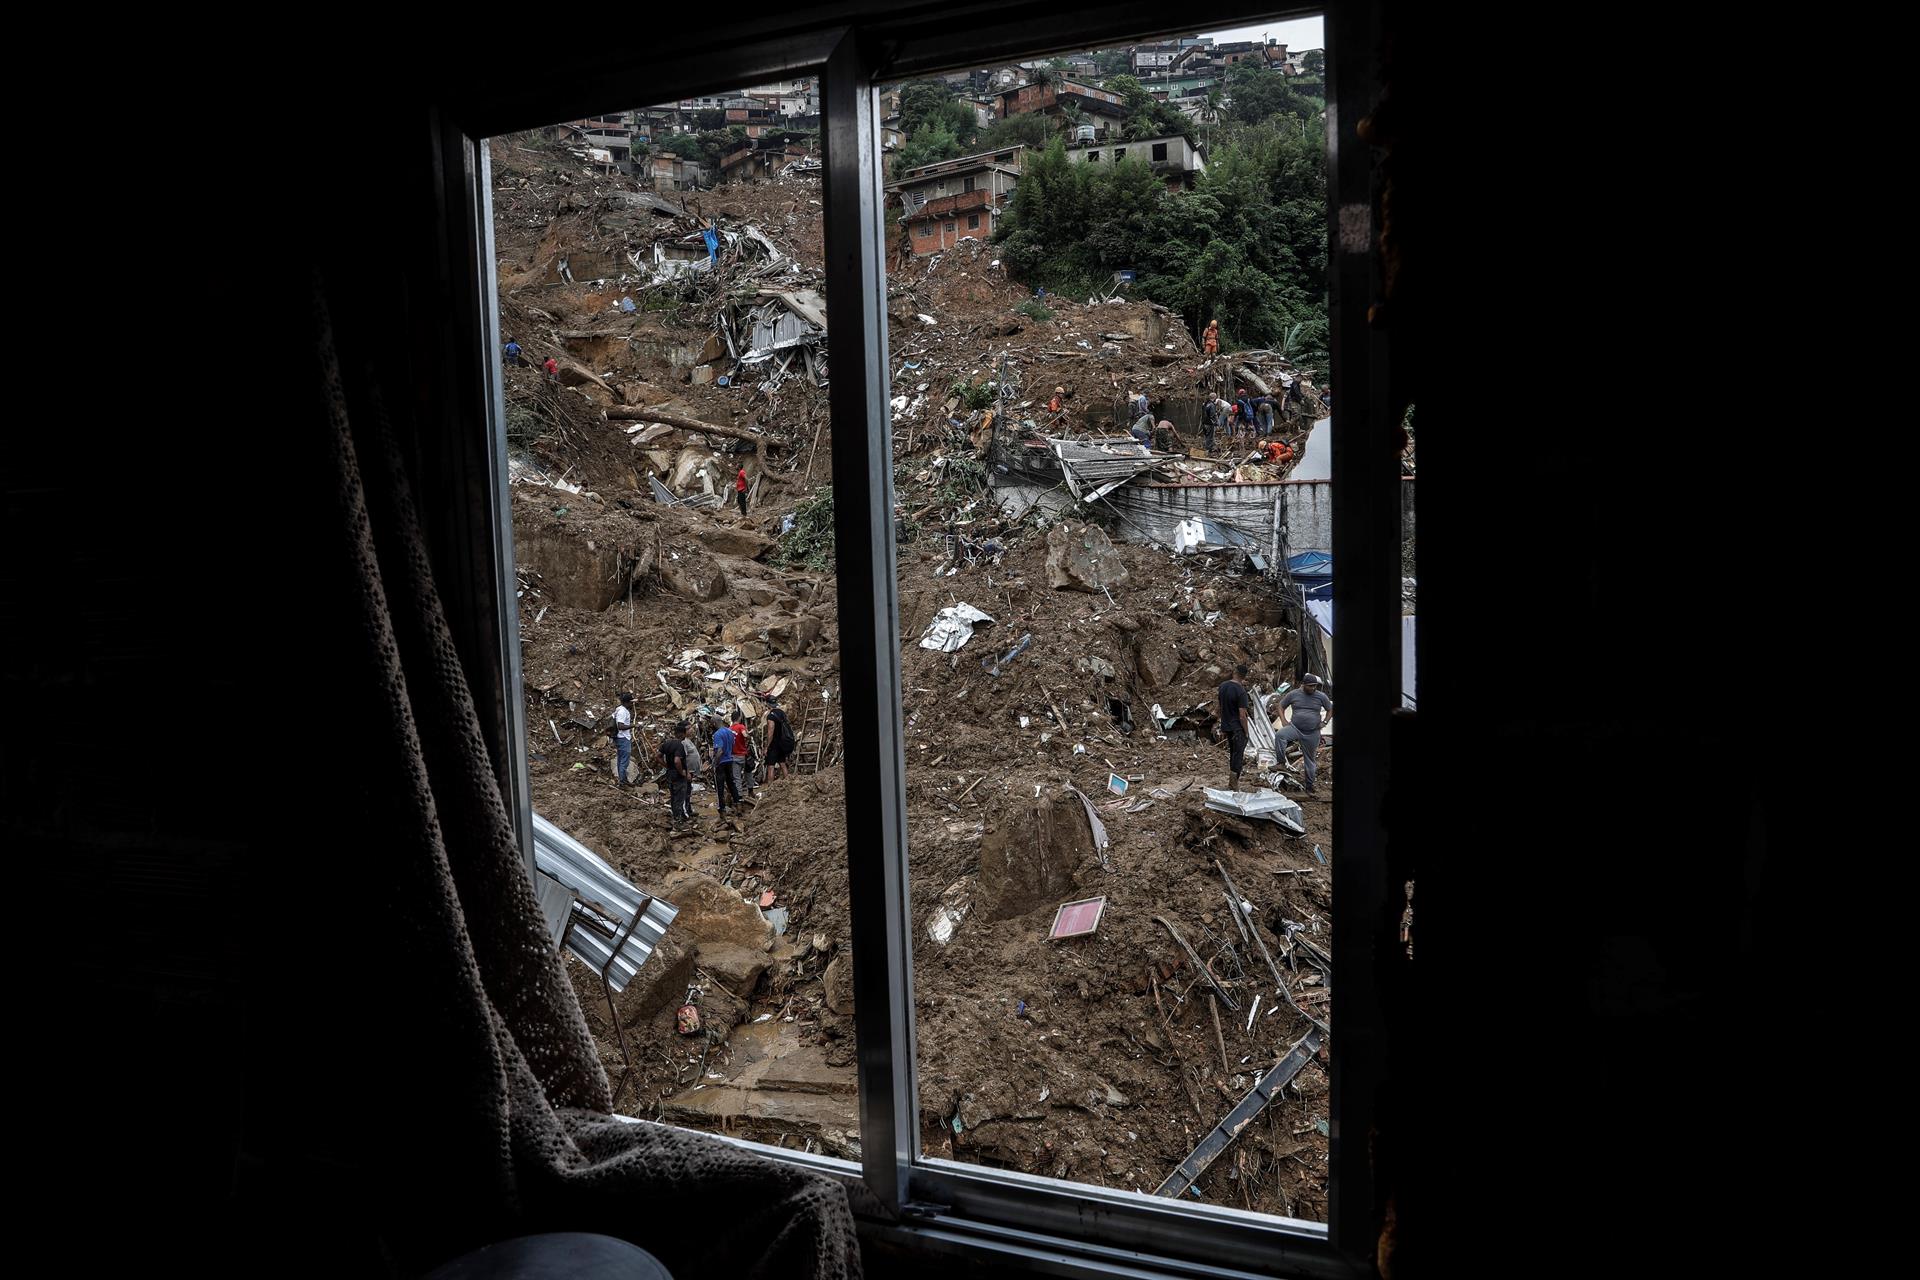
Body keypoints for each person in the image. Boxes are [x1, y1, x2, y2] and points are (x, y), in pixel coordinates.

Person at [1276, 673, 1335, 793]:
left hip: (1312, 732)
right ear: (1303, 685)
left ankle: (1309, 786)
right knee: (1280, 735)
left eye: (1314, 686)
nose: (1313, 688)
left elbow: (1330, 709)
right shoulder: (1293, 694)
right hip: (1295, 728)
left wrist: (1324, 722)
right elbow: (1281, 706)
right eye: (1310, 686)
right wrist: (1283, 720)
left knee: (1310, 760)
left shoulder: (1321, 696)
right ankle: (1281, 762)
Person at [1219, 663, 1252, 791]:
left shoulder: (1222, 686)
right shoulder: (1241, 691)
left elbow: (1220, 707)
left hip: (1227, 726)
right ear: (1244, 677)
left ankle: (1231, 783)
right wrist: (1247, 731)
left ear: (1234, 672)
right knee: (1238, 755)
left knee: (1233, 754)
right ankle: (1234, 784)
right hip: (1237, 728)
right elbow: (1242, 716)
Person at [660, 720, 693, 827]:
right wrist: (682, 772)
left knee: (673, 796)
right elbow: (677, 760)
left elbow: (657, 756)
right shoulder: (679, 745)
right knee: (679, 797)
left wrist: (666, 766)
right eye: (684, 733)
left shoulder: (667, 743)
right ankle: (678, 821)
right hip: (678, 775)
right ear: (681, 734)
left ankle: (675, 817)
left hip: (670, 774)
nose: (684, 736)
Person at [711, 719, 740, 815]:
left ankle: (722, 809)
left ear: (714, 723)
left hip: (722, 762)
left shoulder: (717, 734)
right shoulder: (729, 732)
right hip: (729, 760)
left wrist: (715, 763)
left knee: (720, 786)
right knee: (731, 783)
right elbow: (732, 745)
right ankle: (737, 804)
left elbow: (720, 751)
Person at [764, 699, 796, 782]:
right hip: (783, 743)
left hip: (774, 745)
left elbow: (771, 730)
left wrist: (767, 746)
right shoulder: (782, 713)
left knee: (771, 767)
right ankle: (788, 783)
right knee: (782, 764)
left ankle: (769, 789)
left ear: (768, 705)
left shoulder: (771, 716)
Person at [730, 709, 757, 795]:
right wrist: (748, 736)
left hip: (734, 757)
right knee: (748, 773)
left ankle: (739, 798)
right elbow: (745, 735)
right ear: (739, 718)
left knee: (737, 778)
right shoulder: (741, 726)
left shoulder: (729, 729)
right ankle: (751, 791)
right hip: (743, 755)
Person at [611, 691, 635, 786]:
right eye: (631, 702)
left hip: (620, 738)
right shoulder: (622, 712)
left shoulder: (618, 709)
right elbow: (620, 726)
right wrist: (633, 725)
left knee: (621, 760)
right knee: (624, 761)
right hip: (623, 738)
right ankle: (622, 782)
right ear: (627, 702)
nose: (632, 703)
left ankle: (623, 779)